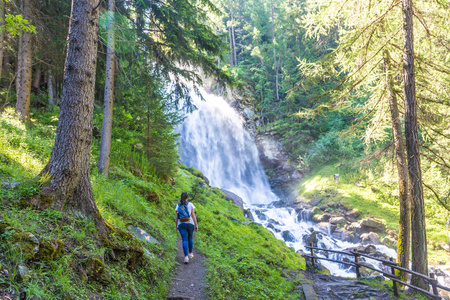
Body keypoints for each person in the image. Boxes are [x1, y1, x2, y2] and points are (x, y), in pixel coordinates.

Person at [175, 192, 198, 264]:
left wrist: (176, 226)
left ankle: (186, 257)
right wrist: (196, 225)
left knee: (184, 240)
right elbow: (193, 215)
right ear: (187, 198)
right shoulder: (190, 204)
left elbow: (176, 217)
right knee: (190, 238)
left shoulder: (178, 205)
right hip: (190, 223)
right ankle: (190, 253)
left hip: (181, 224)